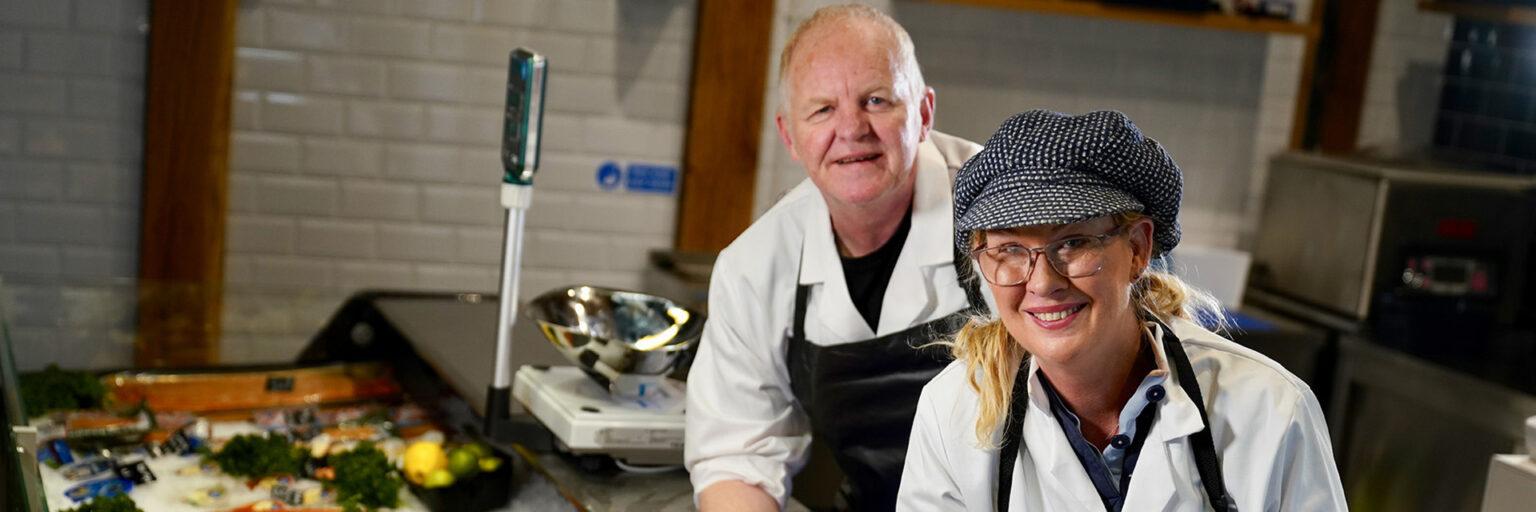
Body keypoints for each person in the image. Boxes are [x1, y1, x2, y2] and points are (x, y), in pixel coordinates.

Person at [897, 110, 1348, 511]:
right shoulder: (951, 410)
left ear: (1138, 249)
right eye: (1010, 249)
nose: (1042, 282)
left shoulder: (1269, 409)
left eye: (1072, 243)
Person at [684, 4, 986, 511]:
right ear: (790, 136)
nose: (852, 128)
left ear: (924, 113)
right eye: (822, 109)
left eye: (876, 100)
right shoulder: (756, 265)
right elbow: (736, 456)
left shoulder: (1006, 214)